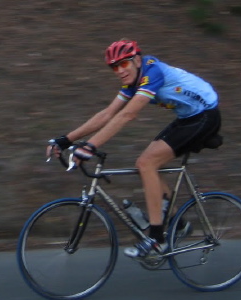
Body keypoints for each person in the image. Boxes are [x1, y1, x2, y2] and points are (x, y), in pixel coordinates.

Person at [47, 39, 221, 259]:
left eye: (124, 64)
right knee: (145, 165)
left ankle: (156, 239)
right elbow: (108, 114)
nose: (119, 70)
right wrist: (65, 140)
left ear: (137, 60)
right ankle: (178, 225)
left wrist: (91, 146)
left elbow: (128, 115)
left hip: (205, 115)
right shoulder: (132, 83)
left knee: (147, 163)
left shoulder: (152, 72)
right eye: (114, 67)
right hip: (187, 116)